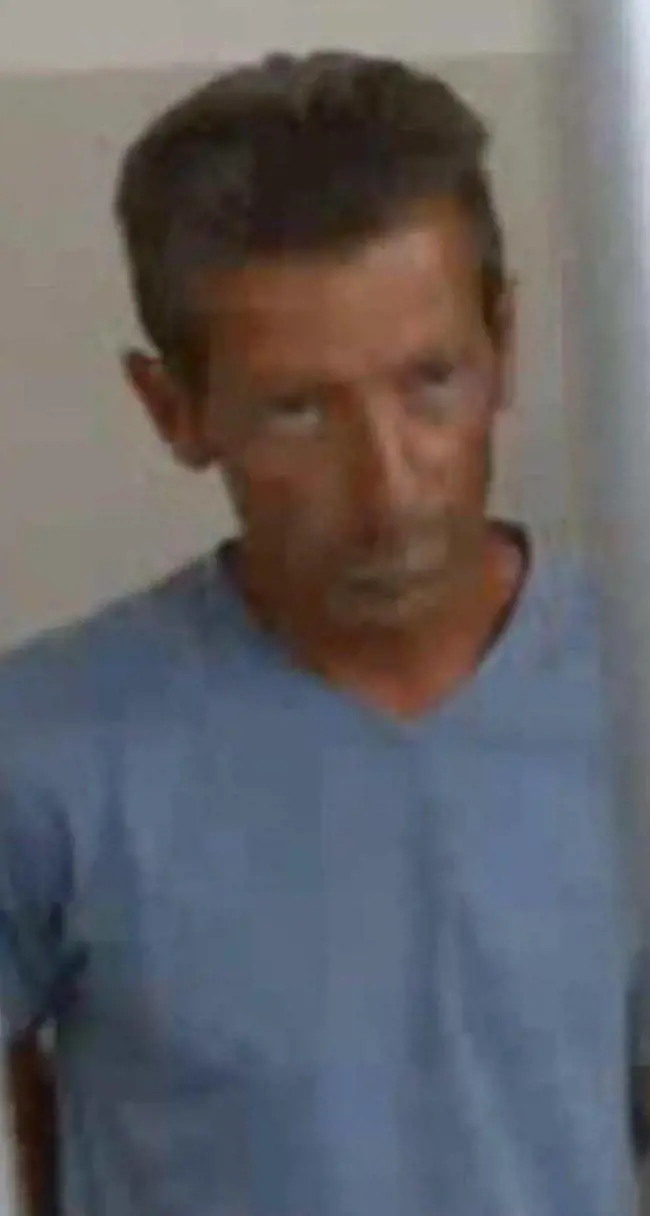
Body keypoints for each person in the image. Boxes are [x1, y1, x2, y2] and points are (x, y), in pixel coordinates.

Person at [0, 50, 648, 1216]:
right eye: (298, 410)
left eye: (430, 380)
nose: (389, 487)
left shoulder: (626, 691)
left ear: (504, 344)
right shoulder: (48, 751)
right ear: (173, 409)